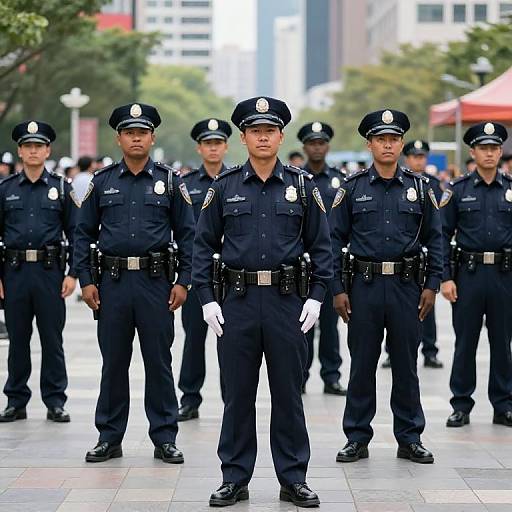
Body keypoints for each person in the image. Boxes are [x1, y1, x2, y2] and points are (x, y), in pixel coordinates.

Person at [193, 97, 332, 507]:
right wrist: (206, 299)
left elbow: (321, 247)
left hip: (288, 303)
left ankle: (293, 479)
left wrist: (318, 298)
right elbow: (202, 246)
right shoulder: (224, 187)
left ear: (281, 135)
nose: (263, 137)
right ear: (244, 137)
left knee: (288, 393)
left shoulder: (303, 187)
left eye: (270, 130)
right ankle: (234, 477)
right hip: (235, 301)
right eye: (255, 131)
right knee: (238, 394)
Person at [74, 103, 195, 463]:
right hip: (110, 283)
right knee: (114, 362)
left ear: (152, 137)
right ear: (119, 138)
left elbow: (189, 236)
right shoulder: (102, 182)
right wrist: (85, 280)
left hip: (156, 282)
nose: (136, 138)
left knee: (158, 361)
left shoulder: (170, 181)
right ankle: (109, 437)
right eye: (129, 132)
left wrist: (183, 281)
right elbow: (82, 234)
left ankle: (165, 437)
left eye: (142, 132)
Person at [330, 109, 442, 464]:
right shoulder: (352, 189)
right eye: (381, 139)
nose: (388, 145)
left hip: (407, 287)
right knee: (362, 363)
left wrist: (433, 284)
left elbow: (435, 239)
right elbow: (332, 239)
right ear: (370, 144)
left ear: (402, 144)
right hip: (363, 285)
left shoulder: (420, 188)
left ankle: (410, 437)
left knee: (407, 364)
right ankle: (357, 436)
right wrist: (337, 287)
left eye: (394, 139)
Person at [0, 120, 78, 423]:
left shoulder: (61, 187)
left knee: (51, 339)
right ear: (20, 151)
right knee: (18, 339)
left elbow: (76, 233)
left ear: (48, 150)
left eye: (39, 146)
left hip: (50, 274)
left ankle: (55, 400)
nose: (33, 151)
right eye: (28, 146)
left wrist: (73, 274)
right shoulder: (6, 189)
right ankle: (16, 400)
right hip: (15, 272)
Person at [441, 122, 512, 428]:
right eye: (483, 148)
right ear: (473, 152)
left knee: (502, 342)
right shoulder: (458, 190)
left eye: (494, 148)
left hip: (504, 275)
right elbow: (441, 235)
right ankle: (461, 404)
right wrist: (445, 277)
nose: (489, 153)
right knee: (465, 342)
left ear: (501, 152)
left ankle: (503, 404)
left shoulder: (510, 189)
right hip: (467, 275)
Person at [177, 118, 232, 422]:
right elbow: (184, 233)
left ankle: (231, 398)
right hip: (199, 275)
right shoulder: (186, 186)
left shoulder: (237, 180)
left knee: (231, 340)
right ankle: (189, 398)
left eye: (218, 143)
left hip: (230, 276)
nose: (213, 148)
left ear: (226, 146)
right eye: (207, 143)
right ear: (199, 148)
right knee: (193, 339)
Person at [381, 140, 443, 369]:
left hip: (416, 269)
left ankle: (430, 349)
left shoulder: (431, 185)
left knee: (425, 312)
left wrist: (436, 278)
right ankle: (390, 352)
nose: (419, 160)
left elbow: (437, 231)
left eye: (422, 156)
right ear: (408, 157)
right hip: (380, 273)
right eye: (415, 156)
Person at [297, 121, 345, 395]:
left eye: (321, 142)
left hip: (329, 262)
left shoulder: (340, 181)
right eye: (312, 143)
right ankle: (300, 375)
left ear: (327, 146)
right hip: (300, 263)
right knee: (300, 323)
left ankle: (331, 375)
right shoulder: (295, 179)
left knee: (329, 323)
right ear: (304, 146)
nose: (317, 147)